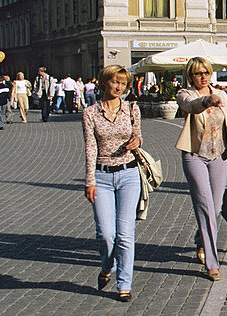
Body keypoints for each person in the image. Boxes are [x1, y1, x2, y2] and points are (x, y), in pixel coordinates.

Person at [83, 65, 142, 302]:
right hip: (102, 177)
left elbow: (138, 135)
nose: (119, 87)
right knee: (106, 234)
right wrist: (89, 180)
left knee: (125, 234)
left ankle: (124, 284)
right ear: (104, 82)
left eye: (123, 84)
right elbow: (90, 148)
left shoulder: (131, 109)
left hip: (129, 174)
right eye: (115, 82)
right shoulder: (90, 113)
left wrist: (136, 141)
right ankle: (107, 267)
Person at [176, 57, 227, 281]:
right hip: (195, 155)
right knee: (205, 206)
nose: (203, 76)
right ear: (191, 76)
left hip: (219, 155)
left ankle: (201, 240)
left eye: (206, 72)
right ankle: (212, 262)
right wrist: (208, 100)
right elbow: (190, 106)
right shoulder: (186, 94)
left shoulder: (223, 95)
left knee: (217, 207)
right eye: (198, 73)